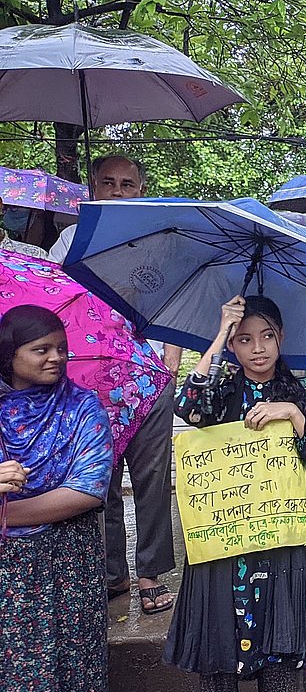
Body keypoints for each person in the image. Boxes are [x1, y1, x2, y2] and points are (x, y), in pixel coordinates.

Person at [164, 295, 306, 692]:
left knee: (280, 669)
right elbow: (187, 407)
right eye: (244, 339)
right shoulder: (221, 392)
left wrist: (294, 415)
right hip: (222, 550)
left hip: (281, 549)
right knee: (217, 668)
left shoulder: (304, 394)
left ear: (281, 338)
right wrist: (220, 331)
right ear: (233, 346)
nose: (257, 348)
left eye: (267, 337)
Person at [49, 153, 180, 614]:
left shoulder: (158, 243)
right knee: (97, 481)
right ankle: (110, 575)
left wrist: (171, 364)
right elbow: (53, 310)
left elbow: (173, 308)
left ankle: (150, 574)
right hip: (85, 384)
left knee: (151, 480)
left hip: (147, 379)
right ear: (93, 188)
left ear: (140, 190)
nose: (119, 192)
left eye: (128, 185)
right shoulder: (69, 241)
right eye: (109, 184)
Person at [0, 305, 112, 692]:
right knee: (17, 674)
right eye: (41, 349)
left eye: (62, 349)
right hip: (10, 573)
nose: (56, 358)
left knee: (74, 668)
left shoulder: (83, 407)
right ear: (9, 354)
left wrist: (6, 515)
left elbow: (87, 489)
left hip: (70, 565)